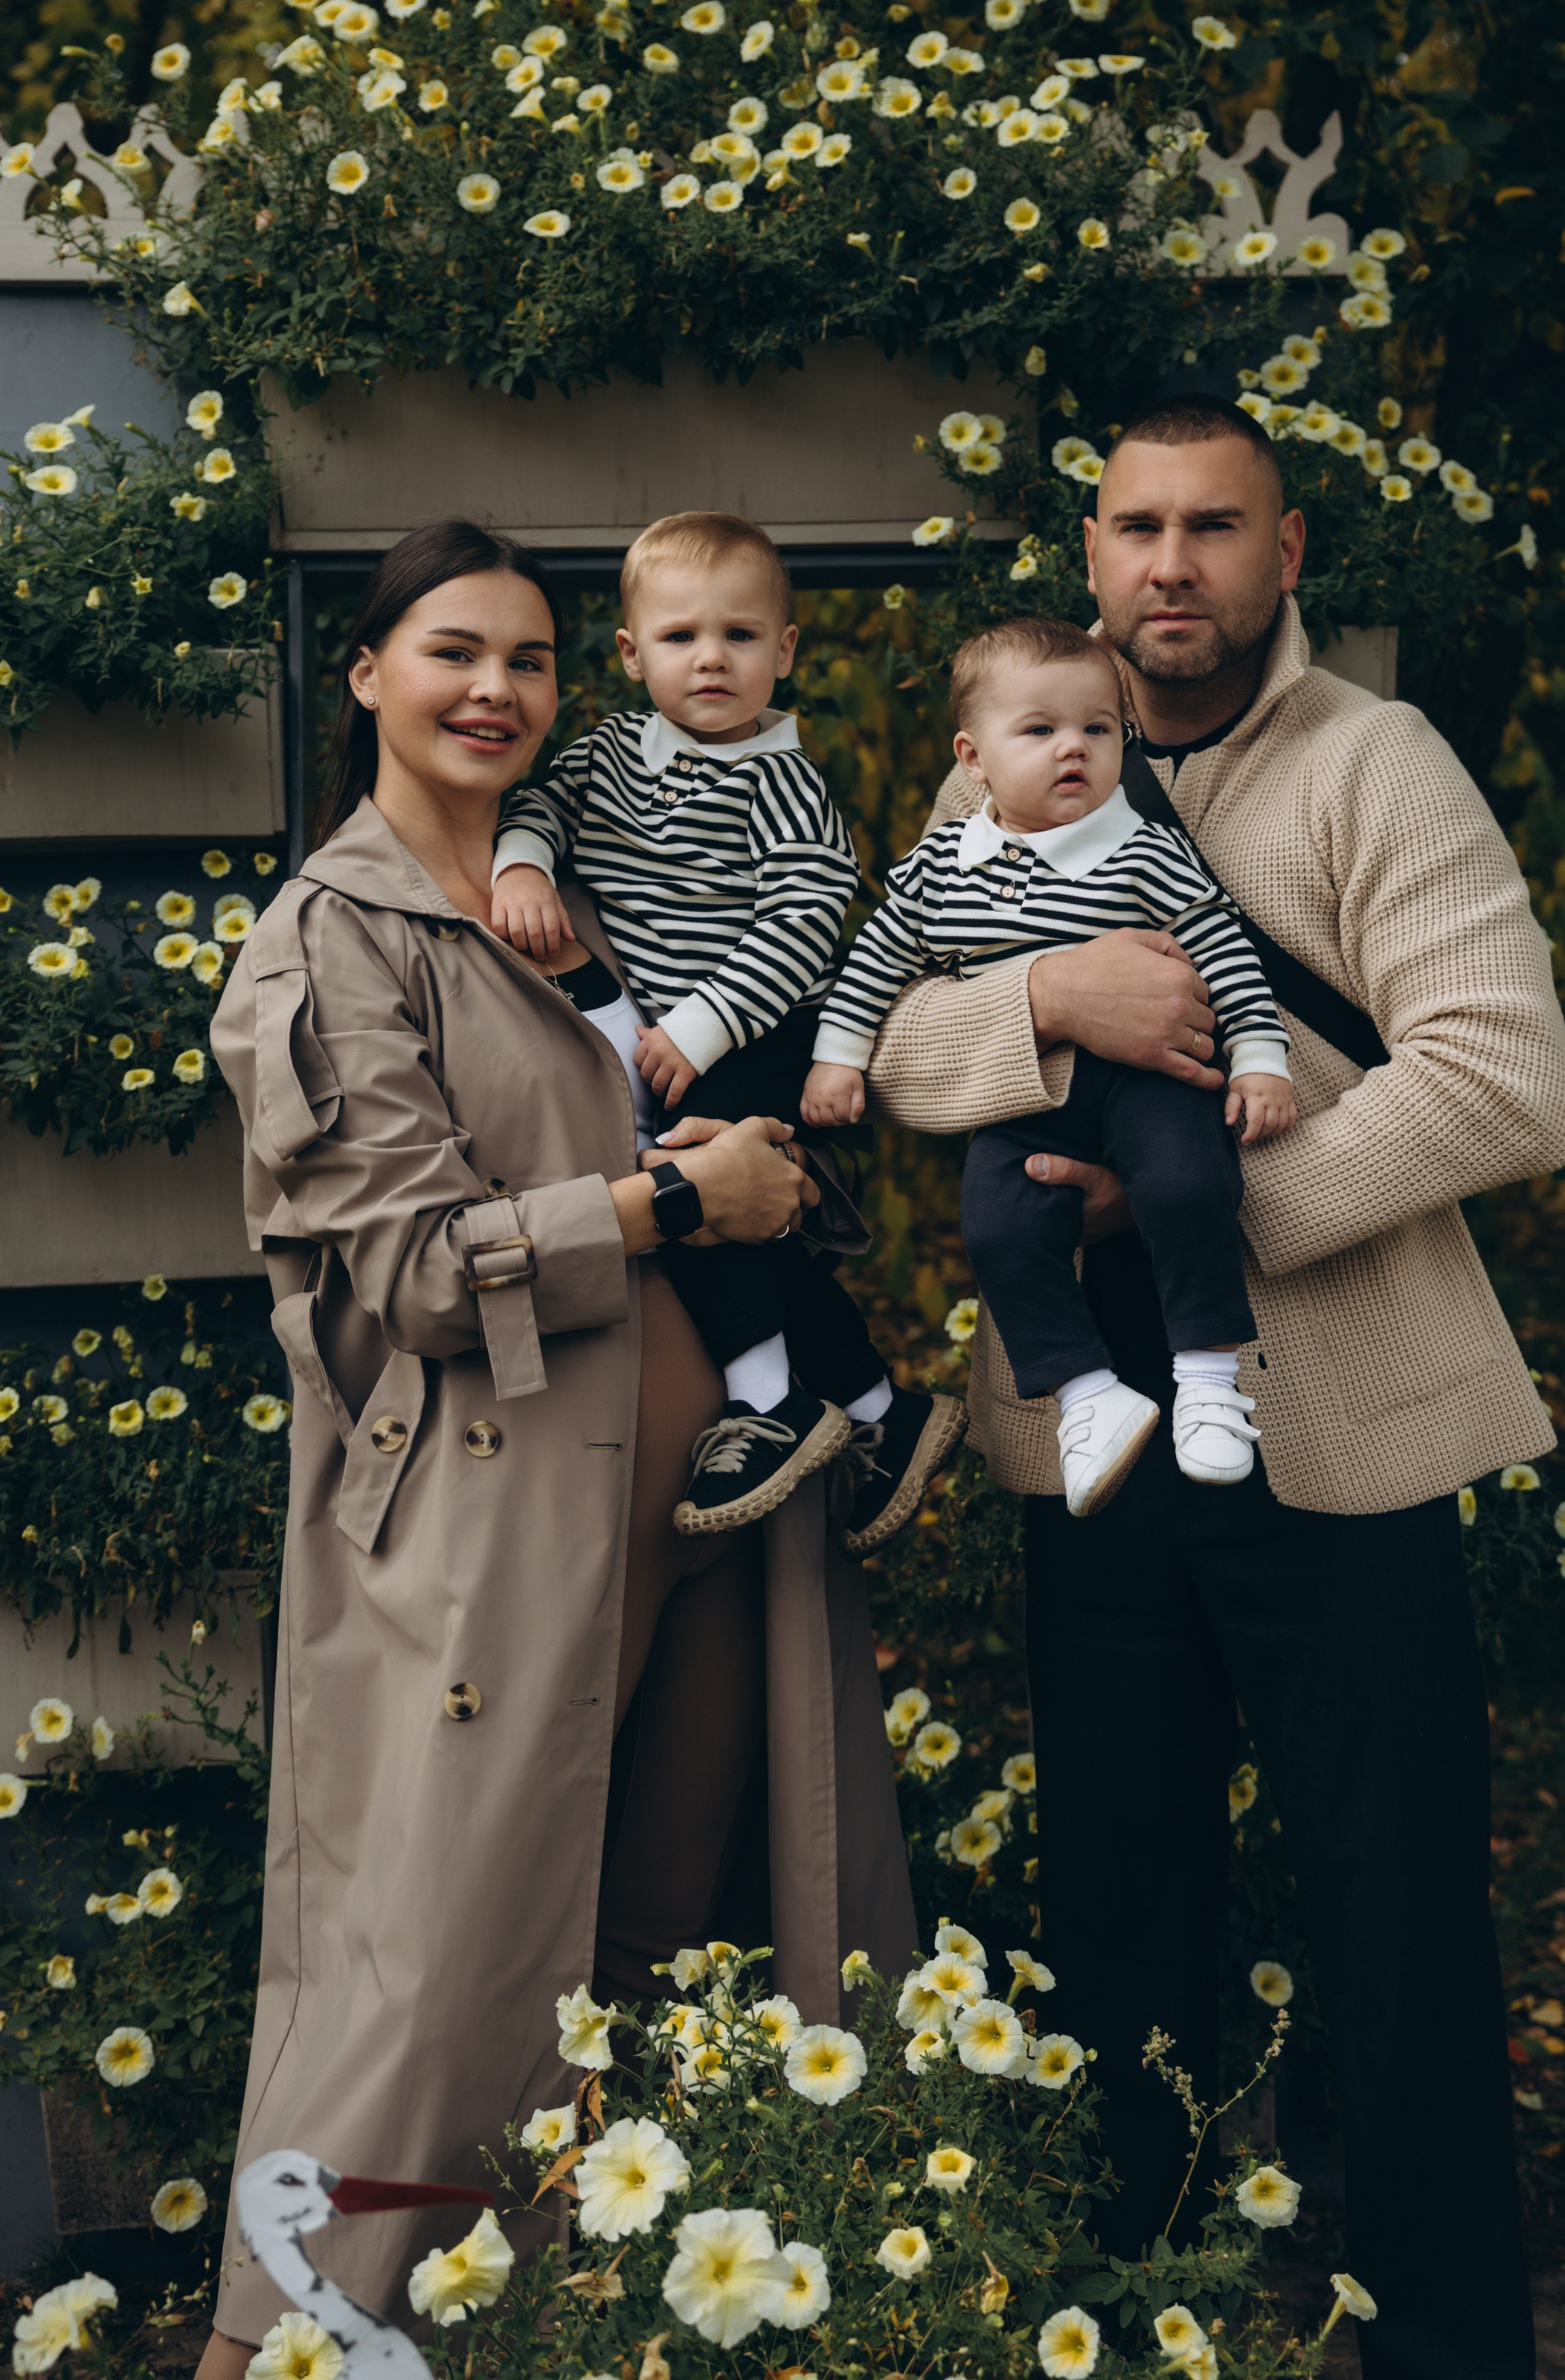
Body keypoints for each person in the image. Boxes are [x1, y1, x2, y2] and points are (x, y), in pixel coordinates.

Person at [864, 398, 1565, 2380]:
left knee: (1397, 1924)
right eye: (1135, 527)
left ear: (1284, 554)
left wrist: (1201, 1213)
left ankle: (1445, 2351)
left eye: (1213, 527)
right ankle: (1140, 2325)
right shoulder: (1016, 751)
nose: (1170, 564)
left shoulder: (1372, 764)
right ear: (1089, 554)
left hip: (1344, 1436)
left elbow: (1504, 1083)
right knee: (1118, 1919)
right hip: (1093, 1445)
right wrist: (1043, 1000)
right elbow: (897, 1042)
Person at [196, 519, 913, 2376]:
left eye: (528, 657)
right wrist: (674, 1205)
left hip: (714, 1517)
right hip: (486, 1544)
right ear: (368, 672)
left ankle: (568, 2341)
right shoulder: (333, 939)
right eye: (452, 650)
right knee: (428, 1984)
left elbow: (766, 1106)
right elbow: (419, 1267)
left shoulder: (595, 891)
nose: (494, 688)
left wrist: (766, 1183)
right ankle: (278, 2347)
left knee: (669, 1960)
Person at [489, 509, 965, 1555]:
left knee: (692, 1187)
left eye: (740, 636)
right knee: (758, 1233)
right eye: (681, 636)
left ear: (783, 652)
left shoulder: (781, 782)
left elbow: (807, 921)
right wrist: (521, 866)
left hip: (764, 1027)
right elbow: (539, 809)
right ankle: (882, 1409)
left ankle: (767, 1401)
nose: (711, 658)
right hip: (676, 1034)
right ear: (631, 654)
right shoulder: (606, 754)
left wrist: (701, 1029)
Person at [803, 614, 1294, 1513]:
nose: (1073, 748)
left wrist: (1261, 1057)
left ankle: (1209, 1383)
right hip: (1026, 1096)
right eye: (1038, 730)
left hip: (1151, 1084)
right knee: (997, 1227)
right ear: (973, 759)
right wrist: (838, 1057)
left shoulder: (1141, 848)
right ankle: (1086, 1395)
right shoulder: (938, 867)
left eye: (1097, 729)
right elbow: (875, 966)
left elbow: (1222, 949)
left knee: (1189, 1185)